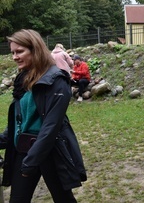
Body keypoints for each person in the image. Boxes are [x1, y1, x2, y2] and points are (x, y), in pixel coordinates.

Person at [0, 29, 86, 202]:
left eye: (19, 51)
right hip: (24, 150)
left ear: (35, 49)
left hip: (50, 151)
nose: (15, 57)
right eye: (13, 53)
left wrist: (31, 161)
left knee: (63, 199)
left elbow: (51, 127)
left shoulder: (57, 81)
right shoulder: (23, 79)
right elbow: (19, 120)